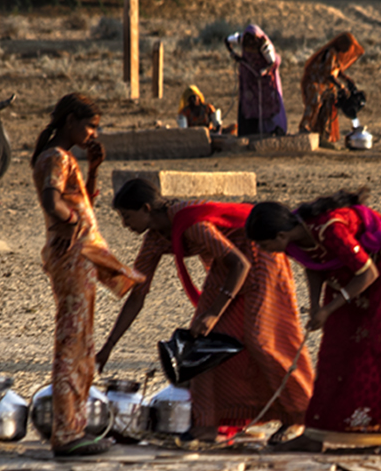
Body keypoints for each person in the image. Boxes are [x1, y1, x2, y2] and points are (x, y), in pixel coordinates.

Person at [97, 179, 313, 443]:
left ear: (146, 208)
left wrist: (213, 313)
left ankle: (299, 416)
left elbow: (240, 264)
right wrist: (107, 347)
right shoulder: (155, 238)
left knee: (261, 340)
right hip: (229, 265)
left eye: (127, 216)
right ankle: (207, 423)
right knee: (201, 346)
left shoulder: (192, 224)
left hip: (259, 254)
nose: (124, 224)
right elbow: (137, 295)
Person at [246, 189, 381, 455]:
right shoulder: (292, 238)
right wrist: (316, 307)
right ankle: (316, 433)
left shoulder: (330, 230)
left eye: (265, 246)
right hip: (346, 275)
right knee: (335, 350)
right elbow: (312, 264)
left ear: (279, 236)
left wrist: (330, 308)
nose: (266, 252)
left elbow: (368, 273)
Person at [31, 92, 146, 457]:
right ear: (69, 121)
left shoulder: (67, 160)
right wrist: (72, 221)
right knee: (71, 343)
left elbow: (83, 204)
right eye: (89, 125)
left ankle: (74, 427)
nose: (94, 133)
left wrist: (93, 169)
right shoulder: (54, 157)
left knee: (80, 341)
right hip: (71, 258)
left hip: (78, 258)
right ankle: (66, 434)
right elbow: (54, 202)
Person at [298, 31, 364, 145]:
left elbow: (337, 70)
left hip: (326, 85)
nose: (346, 51)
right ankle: (305, 128)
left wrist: (347, 79)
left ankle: (322, 135)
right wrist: (340, 85)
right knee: (315, 103)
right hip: (316, 83)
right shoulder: (330, 53)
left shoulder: (337, 55)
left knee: (328, 108)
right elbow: (328, 74)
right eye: (346, 48)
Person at [225, 24, 288, 137]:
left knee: (267, 103)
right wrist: (235, 56)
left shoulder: (264, 45)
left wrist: (264, 71)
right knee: (248, 104)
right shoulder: (242, 39)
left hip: (264, 81)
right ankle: (249, 132)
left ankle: (272, 130)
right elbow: (227, 40)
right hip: (249, 78)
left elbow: (272, 63)